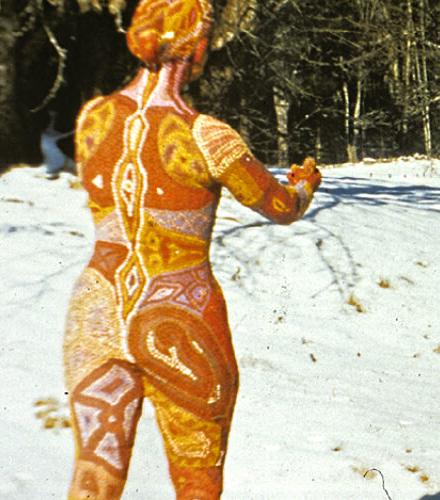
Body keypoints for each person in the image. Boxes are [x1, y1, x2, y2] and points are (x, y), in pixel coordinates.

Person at [62, 0, 322, 497]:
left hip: (97, 308)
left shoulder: (92, 118)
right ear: (198, 45)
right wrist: (306, 185)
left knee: (96, 471)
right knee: (197, 480)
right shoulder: (208, 137)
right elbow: (281, 205)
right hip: (178, 311)